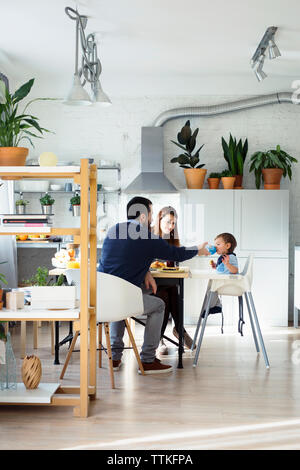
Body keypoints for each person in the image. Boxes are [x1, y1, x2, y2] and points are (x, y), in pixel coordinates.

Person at [98, 196, 209, 375]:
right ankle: (148, 360)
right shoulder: (147, 237)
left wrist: (146, 271)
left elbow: (123, 261)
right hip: (125, 296)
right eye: (150, 214)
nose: (151, 219)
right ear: (143, 216)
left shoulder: (113, 231)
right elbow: (175, 254)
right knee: (159, 305)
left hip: (104, 296)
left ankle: (115, 358)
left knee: (119, 300)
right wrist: (197, 249)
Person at [153, 206, 196, 355]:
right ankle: (177, 331)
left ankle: (164, 337)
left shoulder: (171, 240)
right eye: (168, 222)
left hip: (164, 283)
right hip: (147, 284)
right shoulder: (149, 237)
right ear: (159, 219)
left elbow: (174, 263)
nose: (171, 226)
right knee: (167, 293)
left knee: (171, 291)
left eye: (173, 223)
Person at [203, 232, 241, 334]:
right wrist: (216, 266)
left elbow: (235, 270)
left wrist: (228, 264)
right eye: (215, 245)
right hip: (222, 281)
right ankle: (215, 305)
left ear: (228, 246)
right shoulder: (224, 257)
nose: (216, 247)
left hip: (228, 283)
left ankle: (210, 307)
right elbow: (223, 269)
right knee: (210, 286)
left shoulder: (231, 257)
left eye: (218, 244)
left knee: (211, 287)